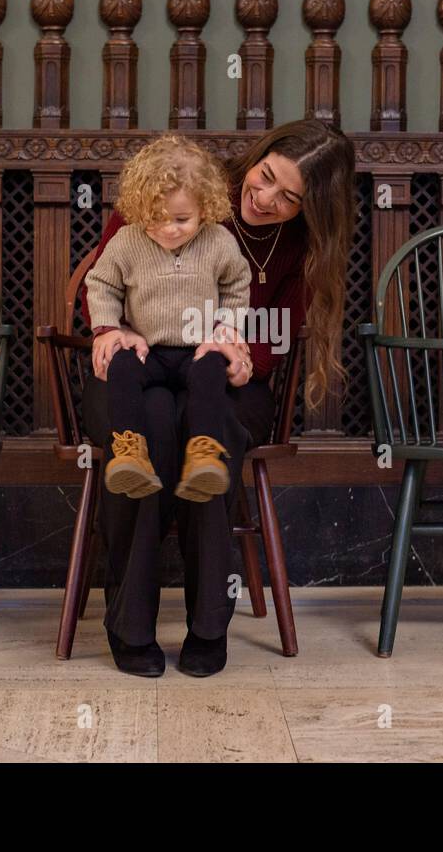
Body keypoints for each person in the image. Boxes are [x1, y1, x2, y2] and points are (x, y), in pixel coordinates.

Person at [80, 119, 356, 678]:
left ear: (312, 208)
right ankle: (130, 624)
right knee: (153, 425)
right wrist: (109, 332)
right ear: (257, 157)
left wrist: (243, 352)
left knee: (208, 441)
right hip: (138, 368)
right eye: (266, 176)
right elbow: (102, 280)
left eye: (289, 197)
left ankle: (209, 623)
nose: (265, 197)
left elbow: (281, 335)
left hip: (224, 379)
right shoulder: (176, 186)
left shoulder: (301, 245)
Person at [85, 134, 251, 503]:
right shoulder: (127, 242)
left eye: (182, 219)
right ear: (140, 208)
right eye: (156, 218)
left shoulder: (219, 242)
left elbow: (238, 283)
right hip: (149, 351)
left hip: (197, 349)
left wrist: (227, 327)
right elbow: (100, 284)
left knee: (211, 372)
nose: (168, 228)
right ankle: (130, 454)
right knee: (122, 369)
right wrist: (110, 329)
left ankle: (203, 456)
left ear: (204, 209)